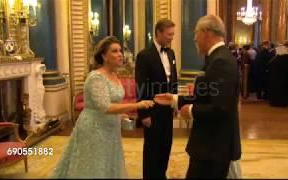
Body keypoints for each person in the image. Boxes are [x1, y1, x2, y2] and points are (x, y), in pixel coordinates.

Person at [51, 36, 154, 178]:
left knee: (108, 163)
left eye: (120, 51)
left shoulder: (113, 75)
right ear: (104, 56)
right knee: (92, 166)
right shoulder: (96, 77)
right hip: (94, 128)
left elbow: (112, 103)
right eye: (115, 51)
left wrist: (120, 114)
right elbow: (105, 107)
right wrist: (137, 105)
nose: (120, 54)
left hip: (111, 128)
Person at [154, 14, 241, 178]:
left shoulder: (221, 61)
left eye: (196, 34)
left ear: (206, 33)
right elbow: (207, 96)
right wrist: (175, 99)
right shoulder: (216, 58)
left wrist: (192, 111)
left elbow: (221, 108)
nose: (195, 39)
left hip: (213, 146)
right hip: (210, 145)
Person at [135, 19, 178, 178]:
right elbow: (140, 85)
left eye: (173, 34)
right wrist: (143, 114)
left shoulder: (171, 53)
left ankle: (161, 174)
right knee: (152, 147)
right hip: (152, 110)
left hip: (168, 108)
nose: (171, 37)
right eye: (169, 34)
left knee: (166, 145)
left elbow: (173, 80)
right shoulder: (144, 55)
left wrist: (175, 103)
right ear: (159, 32)